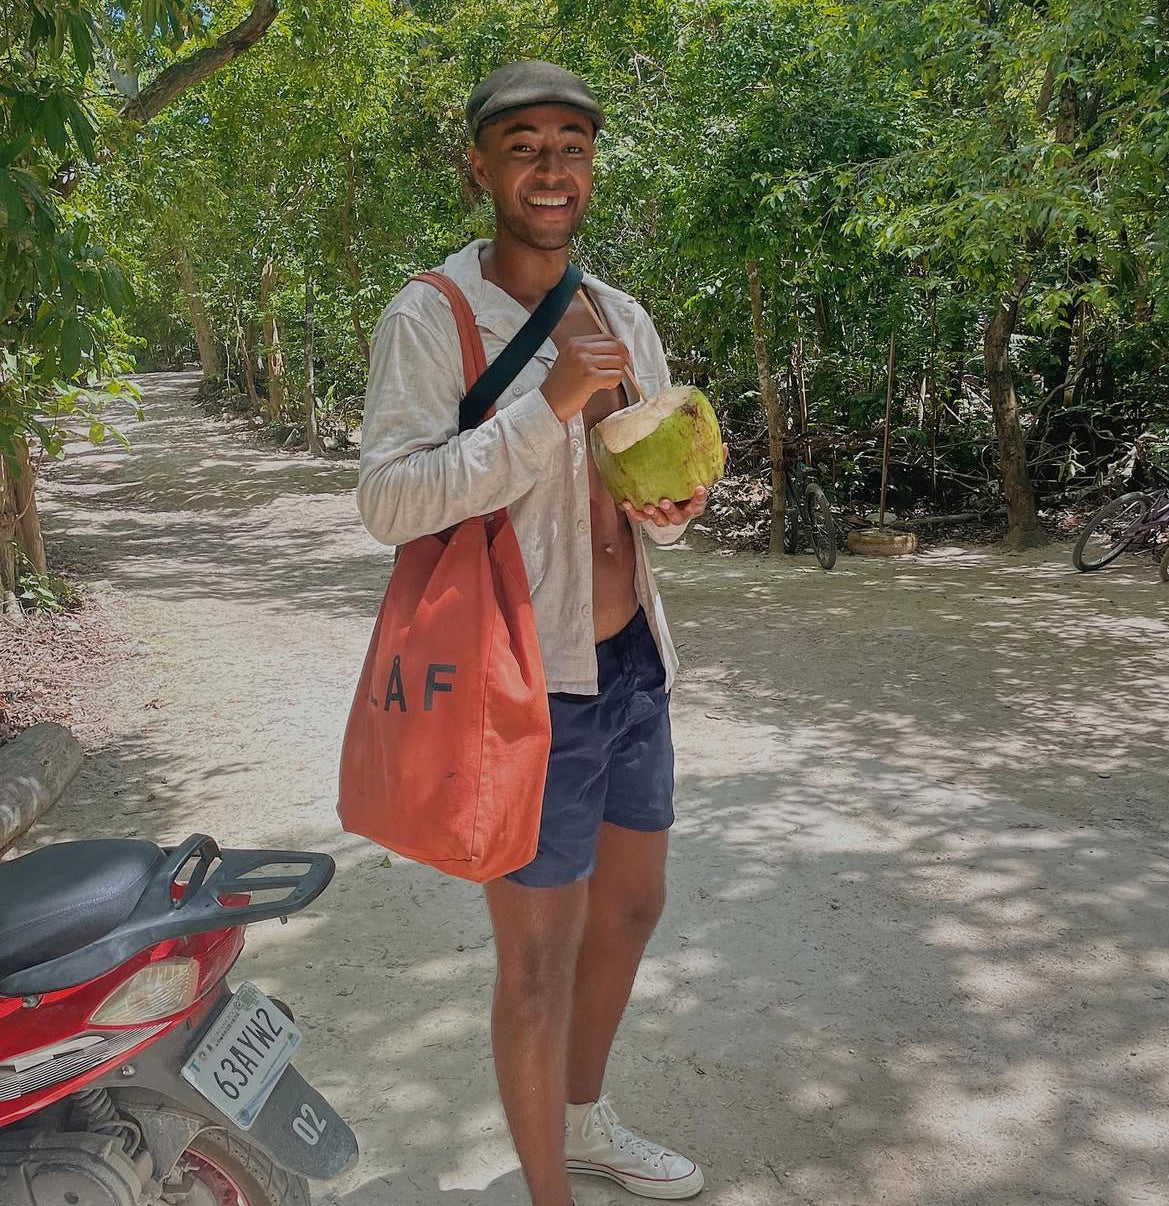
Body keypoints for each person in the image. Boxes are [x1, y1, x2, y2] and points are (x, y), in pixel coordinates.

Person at [357, 60, 711, 1206]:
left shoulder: (623, 316)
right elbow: (390, 501)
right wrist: (542, 407)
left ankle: (587, 1122)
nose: (552, 166)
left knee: (635, 908)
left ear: (591, 165)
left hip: (631, 664)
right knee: (539, 964)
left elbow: (652, 478)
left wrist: (676, 510)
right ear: (479, 167)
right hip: (521, 686)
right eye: (524, 145)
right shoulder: (433, 314)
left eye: (572, 143)